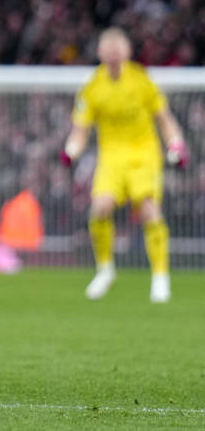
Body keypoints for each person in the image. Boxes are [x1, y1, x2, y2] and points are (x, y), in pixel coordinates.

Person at [61, 27, 186, 303]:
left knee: (149, 209)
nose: (114, 52)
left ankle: (160, 277)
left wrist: (176, 144)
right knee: (100, 208)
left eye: (118, 47)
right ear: (100, 52)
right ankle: (105, 269)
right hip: (112, 158)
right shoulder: (93, 87)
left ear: (127, 51)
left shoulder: (141, 80)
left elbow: (164, 119)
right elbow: (80, 131)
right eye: (109, 48)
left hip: (144, 155)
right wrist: (71, 152)